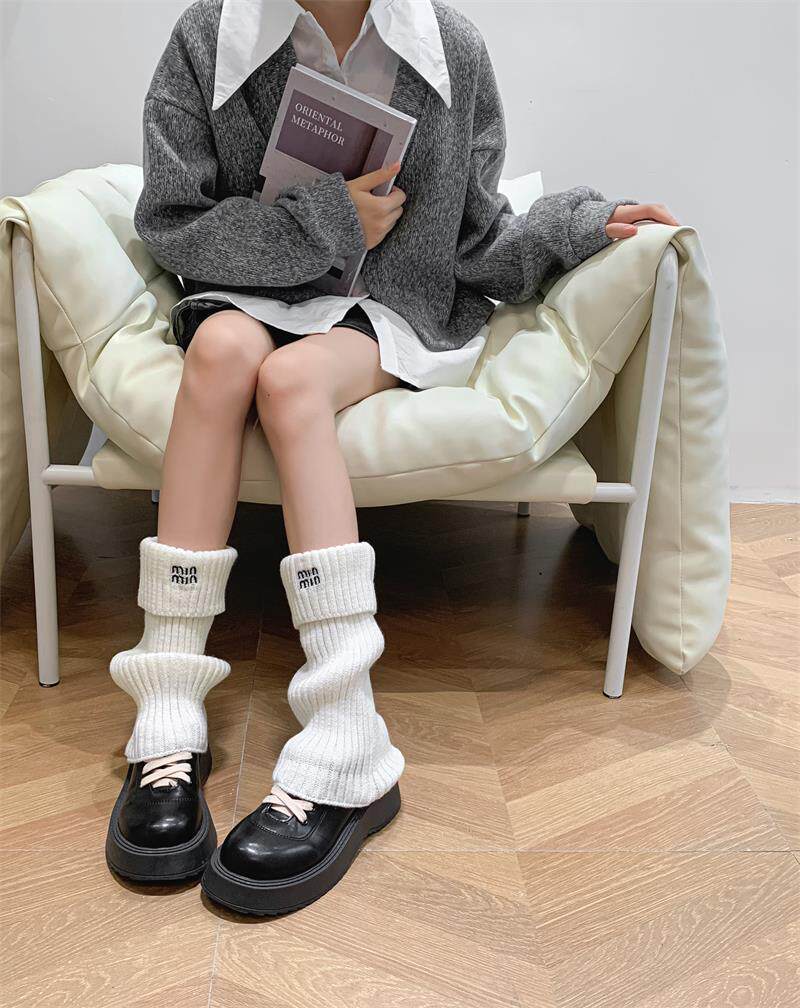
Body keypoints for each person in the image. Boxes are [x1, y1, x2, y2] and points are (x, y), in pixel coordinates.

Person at [106, 0, 679, 916]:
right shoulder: (210, 34)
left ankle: (348, 732)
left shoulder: (449, 48)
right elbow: (172, 223)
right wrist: (324, 223)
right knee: (216, 353)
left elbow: (478, 238)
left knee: (291, 383)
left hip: (386, 311)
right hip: (246, 293)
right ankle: (167, 703)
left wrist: (581, 221)